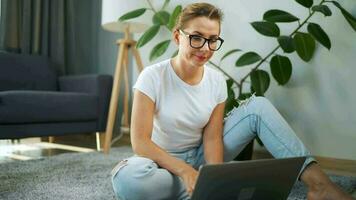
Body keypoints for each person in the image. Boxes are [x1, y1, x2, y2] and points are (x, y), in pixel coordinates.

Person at [111, 3, 354, 200]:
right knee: (131, 181)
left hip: (200, 158)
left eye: (212, 39)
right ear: (178, 37)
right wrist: (184, 171)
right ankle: (199, 184)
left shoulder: (216, 81)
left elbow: (212, 137)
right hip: (159, 162)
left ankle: (319, 185)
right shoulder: (152, 76)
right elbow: (140, 142)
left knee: (257, 107)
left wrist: (214, 179)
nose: (205, 48)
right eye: (196, 37)